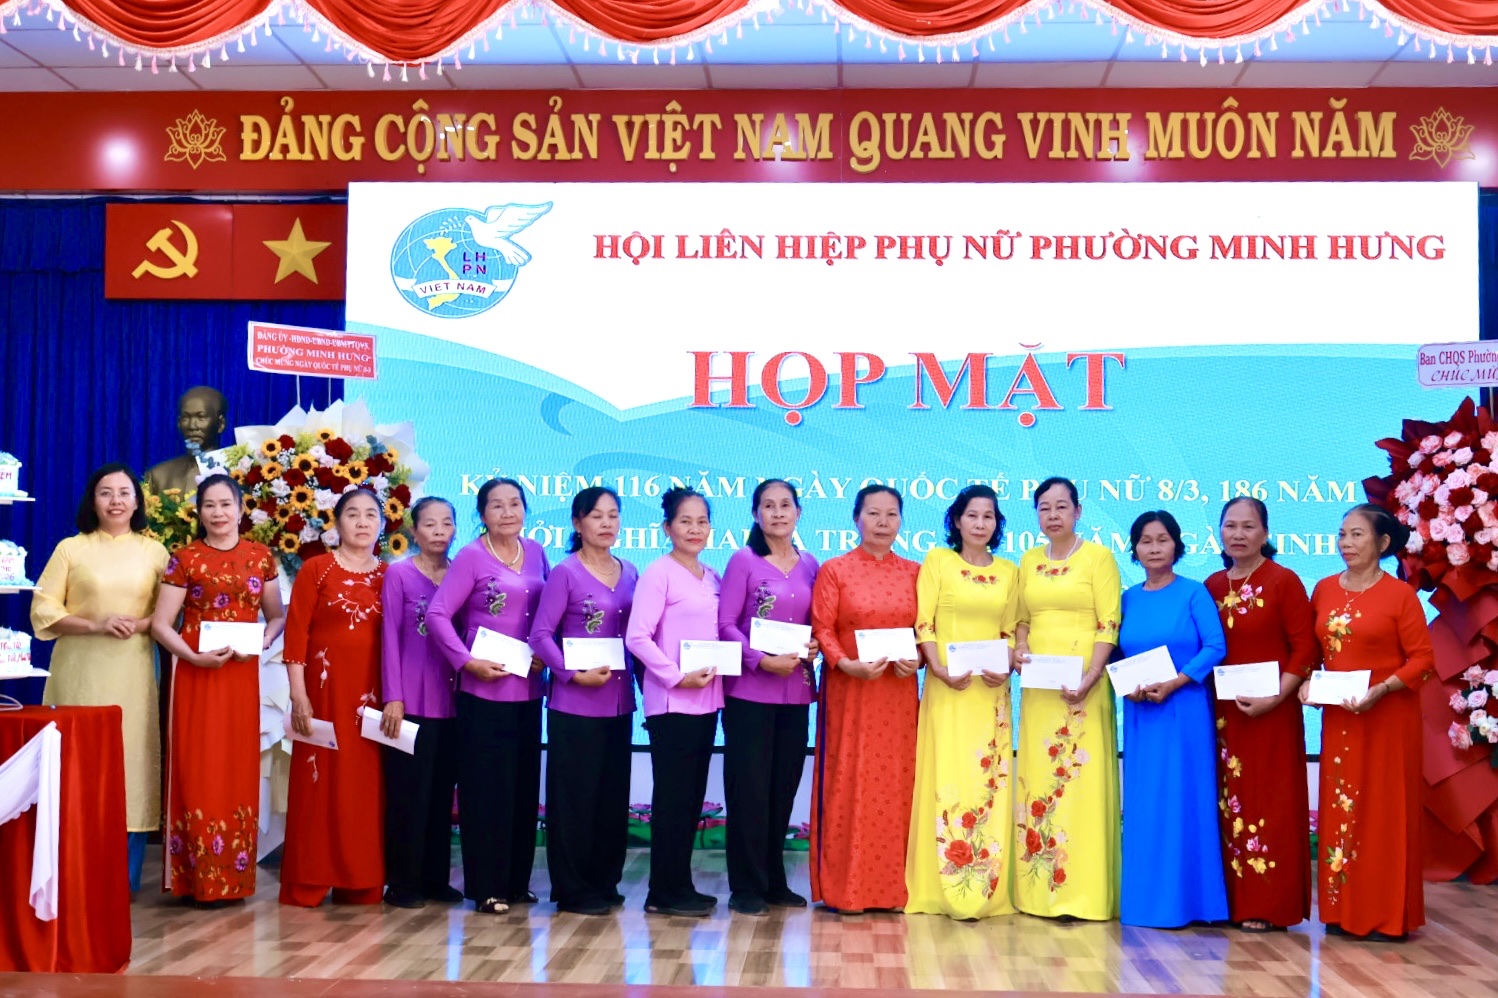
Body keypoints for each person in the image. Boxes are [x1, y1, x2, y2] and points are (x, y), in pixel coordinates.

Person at [30, 462, 169, 893]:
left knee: (130, 760)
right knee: (77, 761)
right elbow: (43, 610)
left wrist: (138, 624)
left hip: (134, 669)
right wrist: (95, 624)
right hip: (79, 671)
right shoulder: (71, 549)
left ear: (137, 502)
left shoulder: (155, 552)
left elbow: (170, 614)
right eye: (105, 492)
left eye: (124, 493)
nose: (115, 501)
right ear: (92, 501)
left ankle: (121, 879)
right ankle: (69, 873)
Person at [149, 474, 283, 905]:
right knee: (198, 767)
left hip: (240, 676)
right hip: (197, 675)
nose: (219, 512)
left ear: (241, 509)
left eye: (226, 504)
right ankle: (194, 880)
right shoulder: (185, 558)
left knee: (236, 769)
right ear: (200, 511)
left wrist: (261, 642)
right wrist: (192, 657)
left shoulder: (261, 557)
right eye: (210, 505)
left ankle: (233, 880)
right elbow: (160, 625)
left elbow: (276, 617)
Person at [1302, 503, 1434, 941]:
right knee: (1342, 809)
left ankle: (1385, 915)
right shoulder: (1323, 589)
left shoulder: (1400, 595)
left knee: (1382, 812)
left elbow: (1423, 660)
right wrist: (1308, 682)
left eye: (1357, 534)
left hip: (1387, 718)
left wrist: (1382, 688)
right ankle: (1342, 911)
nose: (1346, 543)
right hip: (1341, 718)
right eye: (1342, 534)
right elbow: (1315, 653)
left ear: (1382, 542)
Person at [426, 478, 549, 915]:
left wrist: (547, 654)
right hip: (484, 690)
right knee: (485, 790)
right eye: (497, 506)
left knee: (522, 789)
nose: (507, 512)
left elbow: (547, 615)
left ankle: (516, 883)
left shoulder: (536, 552)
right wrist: (466, 662)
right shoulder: (471, 557)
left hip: (527, 689)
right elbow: (438, 614)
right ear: (482, 515)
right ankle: (486, 886)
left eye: (515, 503)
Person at [906, 484, 1019, 919]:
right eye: (972, 515)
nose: (980, 523)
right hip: (947, 687)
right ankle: (939, 888)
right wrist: (937, 668)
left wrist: (1006, 664)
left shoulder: (1009, 572)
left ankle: (985, 888)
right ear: (956, 520)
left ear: (997, 523)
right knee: (946, 777)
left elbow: (1011, 630)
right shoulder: (939, 561)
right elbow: (925, 623)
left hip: (989, 693)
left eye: (988, 516)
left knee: (986, 781)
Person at [1011, 476, 1121, 921]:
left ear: (1078, 511)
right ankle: (1040, 892)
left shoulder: (1098, 558)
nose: (1053, 515)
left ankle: (1084, 893)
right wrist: (1020, 649)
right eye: (1044, 507)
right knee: (1041, 781)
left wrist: (1092, 676)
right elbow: (1020, 619)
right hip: (1040, 690)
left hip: (1084, 688)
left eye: (1061, 506)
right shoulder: (1028, 560)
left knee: (1080, 782)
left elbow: (1109, 622)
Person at [809, 484, 921, 914]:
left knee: (896, 784)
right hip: (851, 690)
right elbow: (823, 628)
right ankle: (847, 889)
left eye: (891, 514)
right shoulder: (835, 570)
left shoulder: (914, 572)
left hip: (897, 693)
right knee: (850, 781)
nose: (882, 522)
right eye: (873, 513)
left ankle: (894, 891)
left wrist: (917, 661)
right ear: (856, 518)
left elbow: (924, 631)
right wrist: (845, 663)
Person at [1204, 497, 1315, 932]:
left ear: (1265, 534)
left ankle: (1269, 905)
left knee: (1270, 802)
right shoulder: (1212, 585)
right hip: (1223, 717)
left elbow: (1305, 649)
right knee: (1226, 802)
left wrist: (1277, 696)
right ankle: (1228, 901)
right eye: (1230, 526)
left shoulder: (1283, 581)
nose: (1238, 534)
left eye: (1248, 527)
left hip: (1272, 715)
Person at [530, 486, 639, 916]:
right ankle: (573, 889)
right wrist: (570, 673)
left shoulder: (630, 571)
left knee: (611, 797)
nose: (607, 523)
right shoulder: (566, 573)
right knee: (575, 798)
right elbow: (540, 635)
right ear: (577, 522)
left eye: (614, 515)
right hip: (574, 704)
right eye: (597, 515)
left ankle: (603, 881)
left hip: (619, 702)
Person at [1116, 511, 1228, 928]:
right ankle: (1145, 903)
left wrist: (1177, 681)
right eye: (1146, 541)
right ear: (1135, 548)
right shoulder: (1127, 598)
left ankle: (1192, 904)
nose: (1154, 548)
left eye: (1162, 540)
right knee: (1146, 804)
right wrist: (1125, 685)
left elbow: (1215, 646)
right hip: (1142, 714)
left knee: (1184, 802)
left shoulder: (1194, 592)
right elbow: (1116, 652)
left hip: (1184, 711)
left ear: (1176, 545)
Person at [279, 488, 388, 907]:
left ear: (382, 524)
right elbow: (296, 636)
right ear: (337, 522)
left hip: (371, 699)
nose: (362, 522)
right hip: (322, 694)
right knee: (317, 785)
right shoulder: (316, 569)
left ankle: (360, 881)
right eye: (352, 514)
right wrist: (298, 695)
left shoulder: (390, 576)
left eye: (371, 515)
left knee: (364, 788)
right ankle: (309, 880)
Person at [718, 479, 820, 916]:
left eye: (785, 505)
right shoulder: (743, 561)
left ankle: (775, 881)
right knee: (749, 791)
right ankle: (746, 886)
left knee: (782, 790)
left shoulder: (811, 564)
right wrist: (760, 660)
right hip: (749, 693)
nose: (778, 513)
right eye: (768, 506)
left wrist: (814, 646)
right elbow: (725, 626)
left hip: (795, 693)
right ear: (756, 514)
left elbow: (817, 624)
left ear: (798, 512)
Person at [625, 487, 723, 918]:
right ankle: (661, 892)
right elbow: (637, 637)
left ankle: (681, 884)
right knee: (672, 798)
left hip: (707, 702)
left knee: (690, 799)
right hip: (671, 703)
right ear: (667, 528)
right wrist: (675, 675)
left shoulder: (712, 576)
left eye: (702, 521)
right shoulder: (658, 573)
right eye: (685, 521)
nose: (694, 529)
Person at [378, 496, 461, 909]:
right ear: (414, 530)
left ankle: (435, 880)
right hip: (409, 702)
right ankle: (403, 883)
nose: (439, 531)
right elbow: (389, 637)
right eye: (430, 524)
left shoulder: (460, 574)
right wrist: (393, 696)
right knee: (408, 795)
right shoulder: (399, 574)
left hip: (453, 701)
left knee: (442, 795)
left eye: (447, 523)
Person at [145, 386, 228, 499]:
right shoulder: (158, 476)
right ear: (179, 423)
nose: (192, 426)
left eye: (201, 417)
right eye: (186, 418)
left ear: (221, 424)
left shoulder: (240, 473)